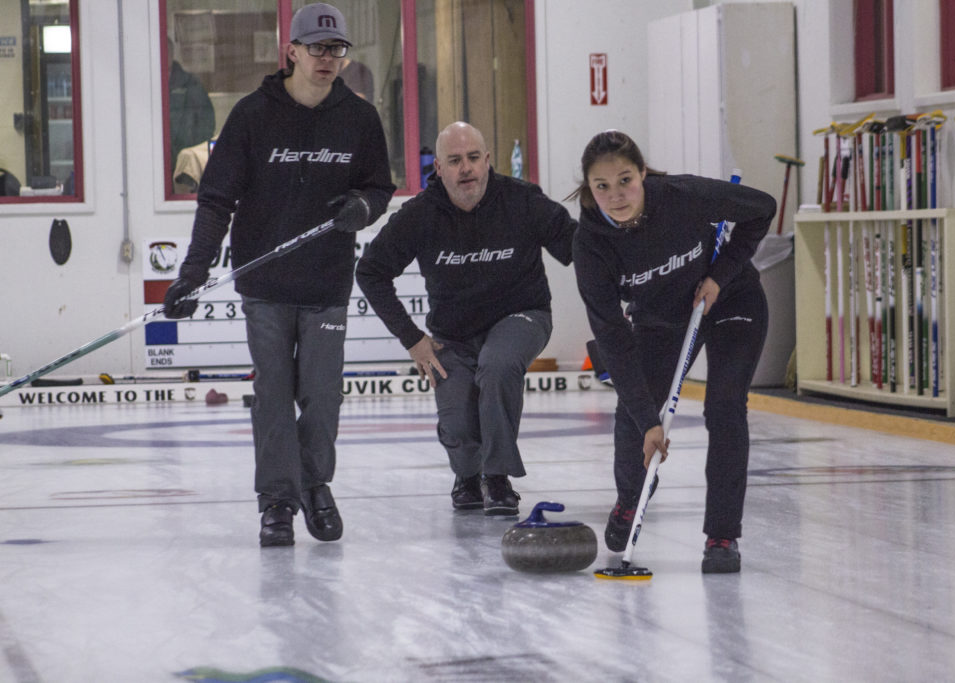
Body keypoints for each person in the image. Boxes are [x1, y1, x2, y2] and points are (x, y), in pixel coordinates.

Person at [162, 3, 396, 547]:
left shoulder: (360, 118)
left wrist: (362, 208)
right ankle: (276, 501)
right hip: (265, 285)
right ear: (290, 50)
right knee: (273, 394)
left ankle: (315, 485)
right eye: (316, 48)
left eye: (336, 49)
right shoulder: (251, 115)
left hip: (327, 283)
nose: (327, 59)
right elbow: (216, 199)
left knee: (322, 394)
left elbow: (379, 188)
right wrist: (192, 273)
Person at [569, 130, 775, 573]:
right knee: (634, 406)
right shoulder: (591, 245)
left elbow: (762, 209)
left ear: (643, 173)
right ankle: (630, 499)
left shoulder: (683, 195)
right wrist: (649, 422)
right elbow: (612, 338)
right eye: (602, 186)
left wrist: (720, 276)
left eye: (625, 180)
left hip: (730, 299)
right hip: (661, 319)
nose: (617, 195)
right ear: (589, 188)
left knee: (724, 406)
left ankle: (722, 536)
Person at [355, 121, 576, 516]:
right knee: (457, 424)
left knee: (498, 364)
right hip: (452, 337)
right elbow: (370, 271)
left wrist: (624, 285)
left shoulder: (522, 201)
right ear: (438, 168)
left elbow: (580, 247)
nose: (466, 168)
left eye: (474, 158)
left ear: (488, 160)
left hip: (522, 316)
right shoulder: (420, 215)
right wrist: (412, 339)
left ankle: (498, 477)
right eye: (454, 161)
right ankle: (468, 476)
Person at [167, 39, 215, 180]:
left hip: (185, 160)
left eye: (167, 52)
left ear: (171, 54)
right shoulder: (148, 83)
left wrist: (192, 152)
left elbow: (207, 122)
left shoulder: (190, 84)